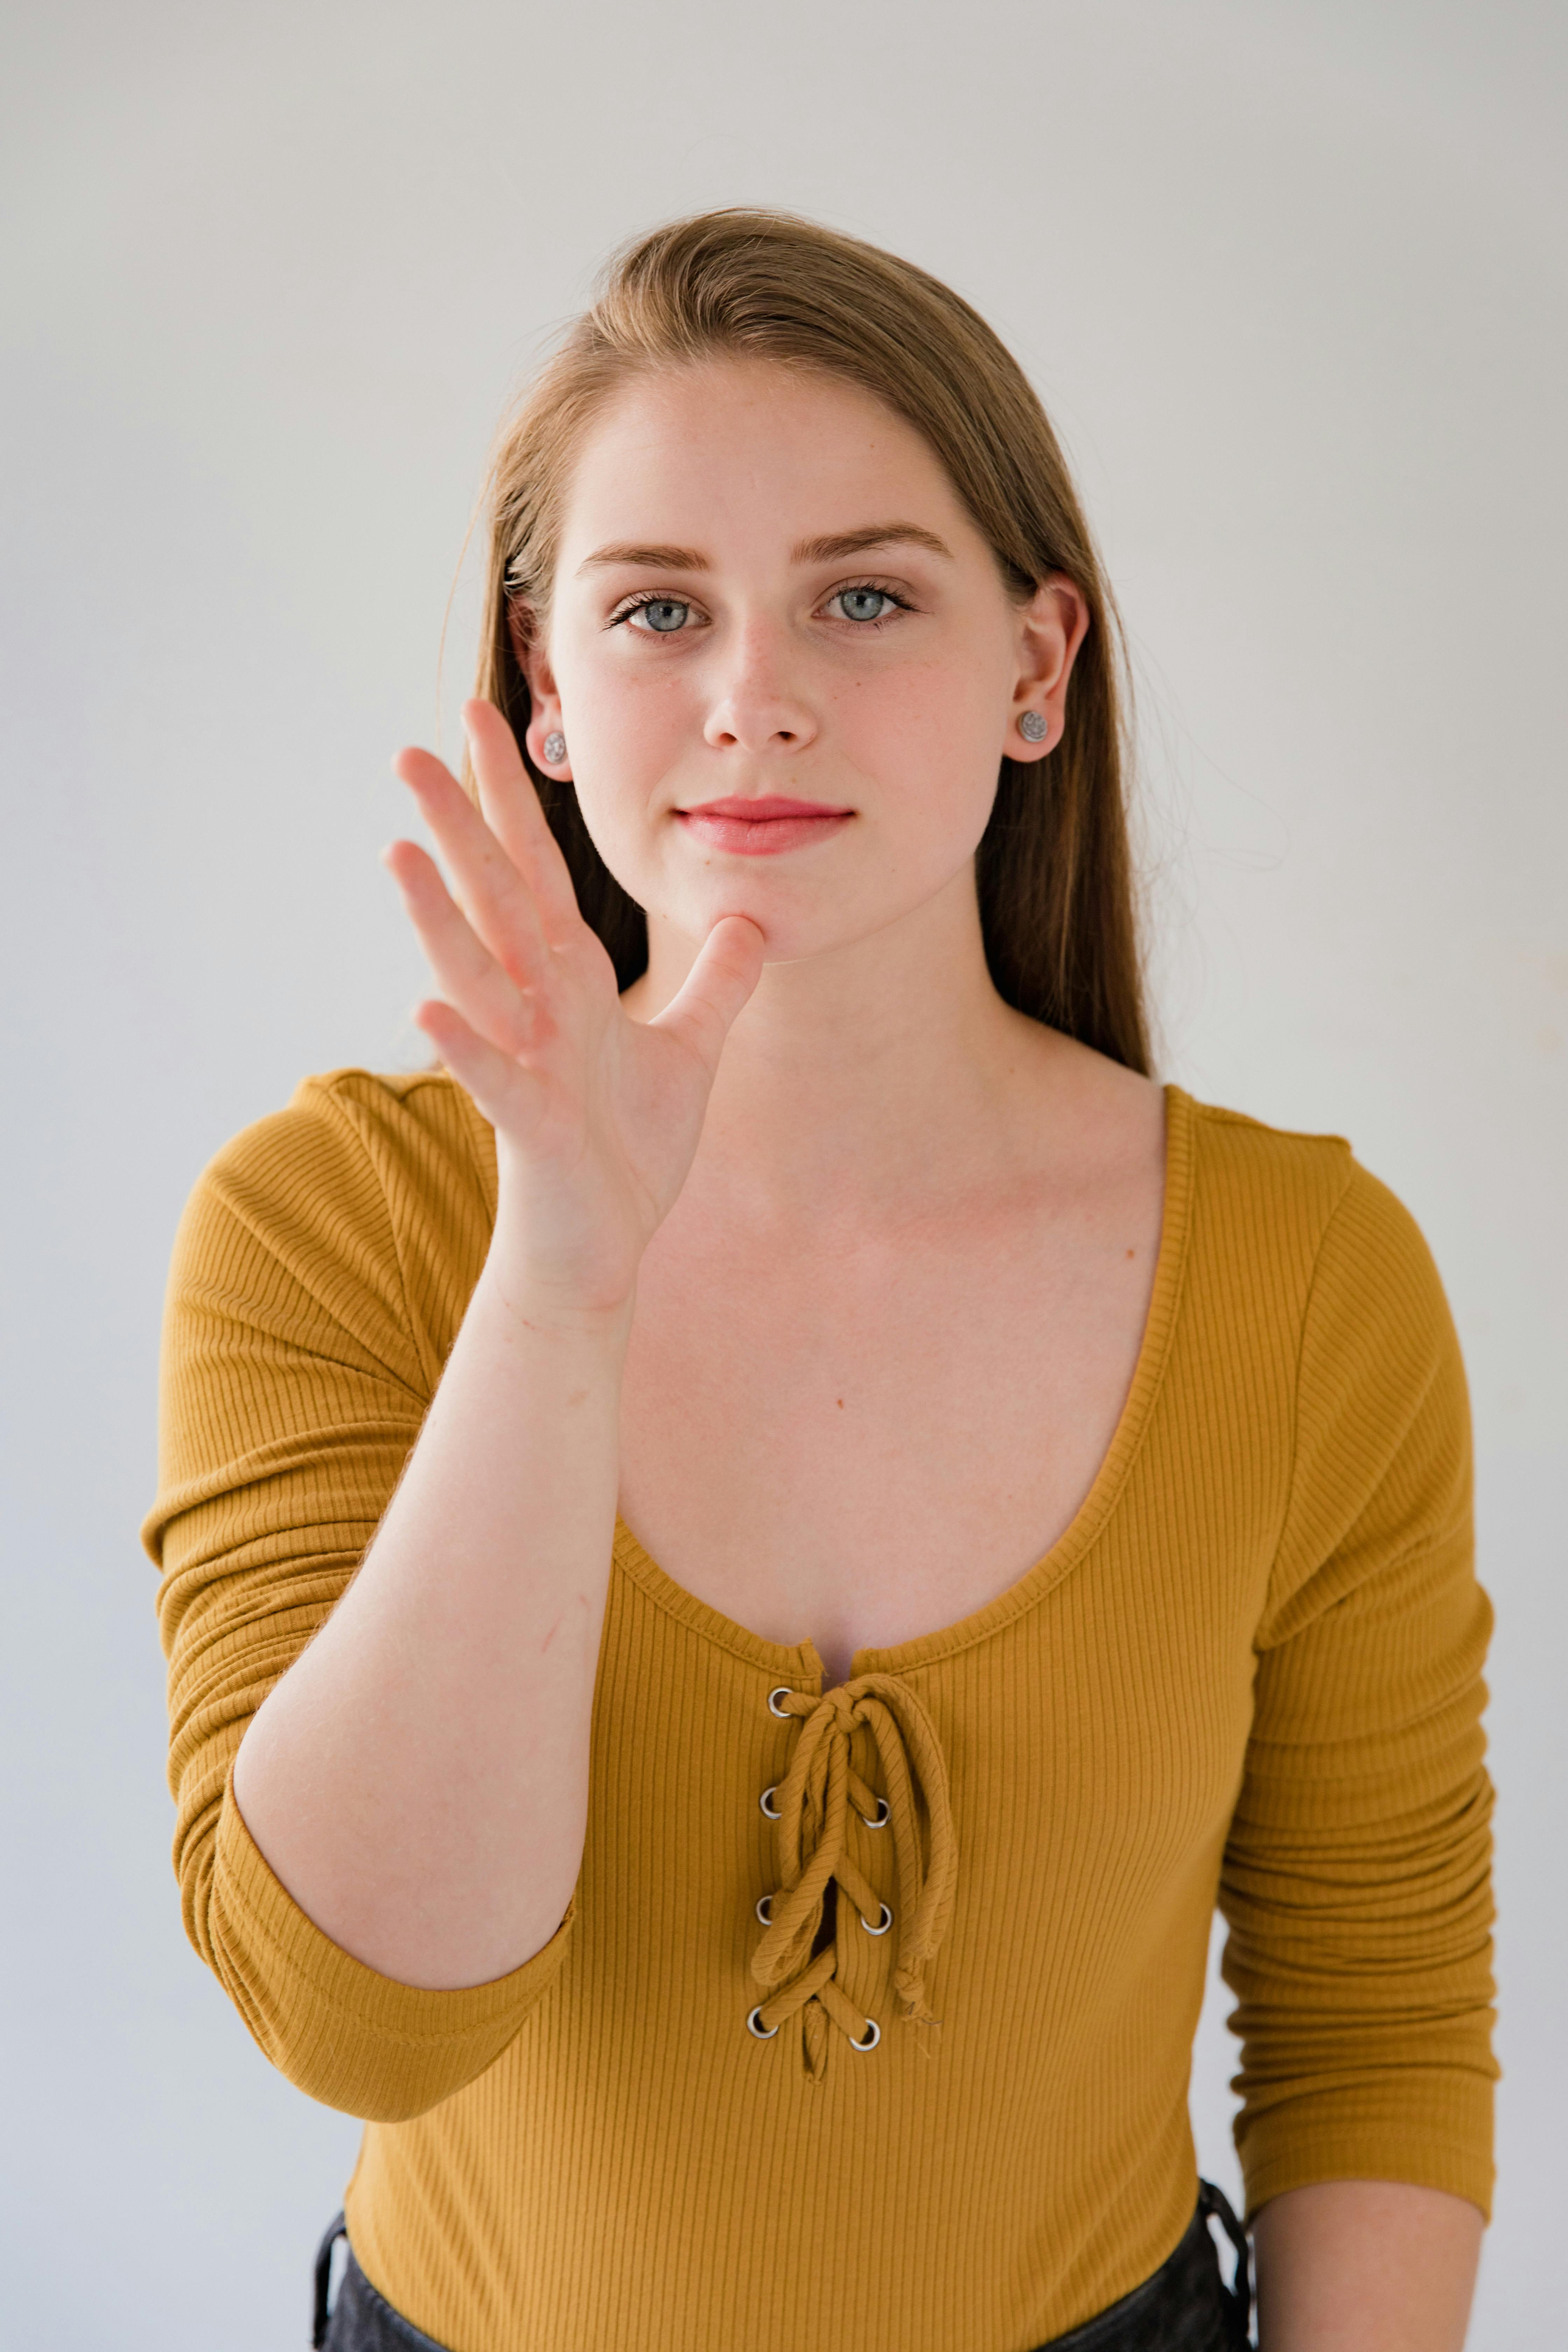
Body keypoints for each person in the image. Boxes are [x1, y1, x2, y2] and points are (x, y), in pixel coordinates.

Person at [141, 209, 1496, 2352]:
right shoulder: (328, 1228)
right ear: (547, 698)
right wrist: (563, 1278)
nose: (757, 698)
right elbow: (358, 2022)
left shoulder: (1311, 1281)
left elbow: (1379, 2009)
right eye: (659, 609)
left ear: (1038, 670)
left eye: (866, 597)